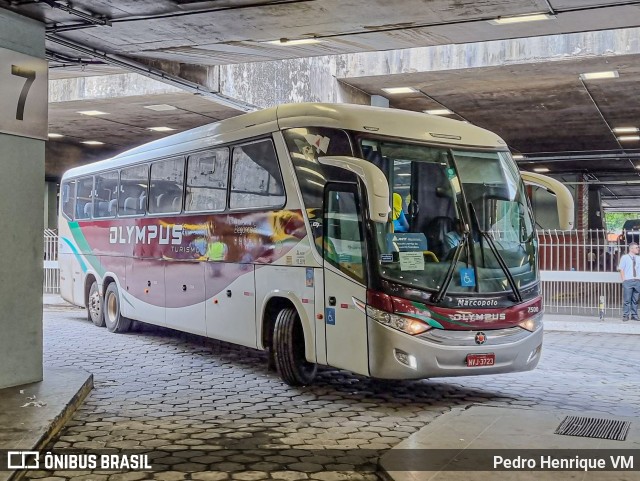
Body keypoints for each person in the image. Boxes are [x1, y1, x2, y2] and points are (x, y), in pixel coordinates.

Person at [617, 242, 640, 321]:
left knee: (635, 299)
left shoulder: (638, 258)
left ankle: (634, 315)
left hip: (637, 280)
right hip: (628, 280)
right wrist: (624, 279)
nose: (638, 249)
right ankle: (626, 315)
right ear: (631, 249)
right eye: (636, 247)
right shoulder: (625, 257)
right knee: (627, 299)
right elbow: (621, 269)